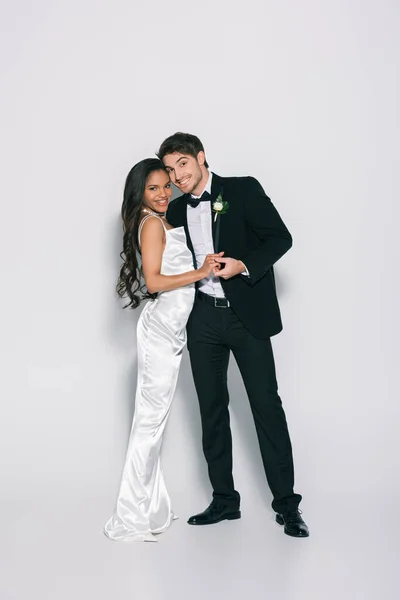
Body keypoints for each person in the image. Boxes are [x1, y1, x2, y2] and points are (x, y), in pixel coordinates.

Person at [158, 133, 309, 538]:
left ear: (201, 158)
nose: (177, 176)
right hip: (202, 320)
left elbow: (281, 237)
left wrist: (242, 264)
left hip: (247, 318)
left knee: (266, 406)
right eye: (170, 171)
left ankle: (287, 506)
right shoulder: (173, 209)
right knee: (211, 408)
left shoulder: (242, 189)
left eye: (182, 165)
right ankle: (224, 501)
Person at [104, 158, 219, 542]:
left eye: (165, 186)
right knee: (149, 425)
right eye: (153, 188)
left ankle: (149, 506)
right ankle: (133, 513)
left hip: (172, 331)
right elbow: (154, 282)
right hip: (159, 333)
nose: (163, 193)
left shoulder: (162, 220)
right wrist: (202, 272)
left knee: (154, 423)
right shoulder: (151, 224)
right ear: (140, 192)